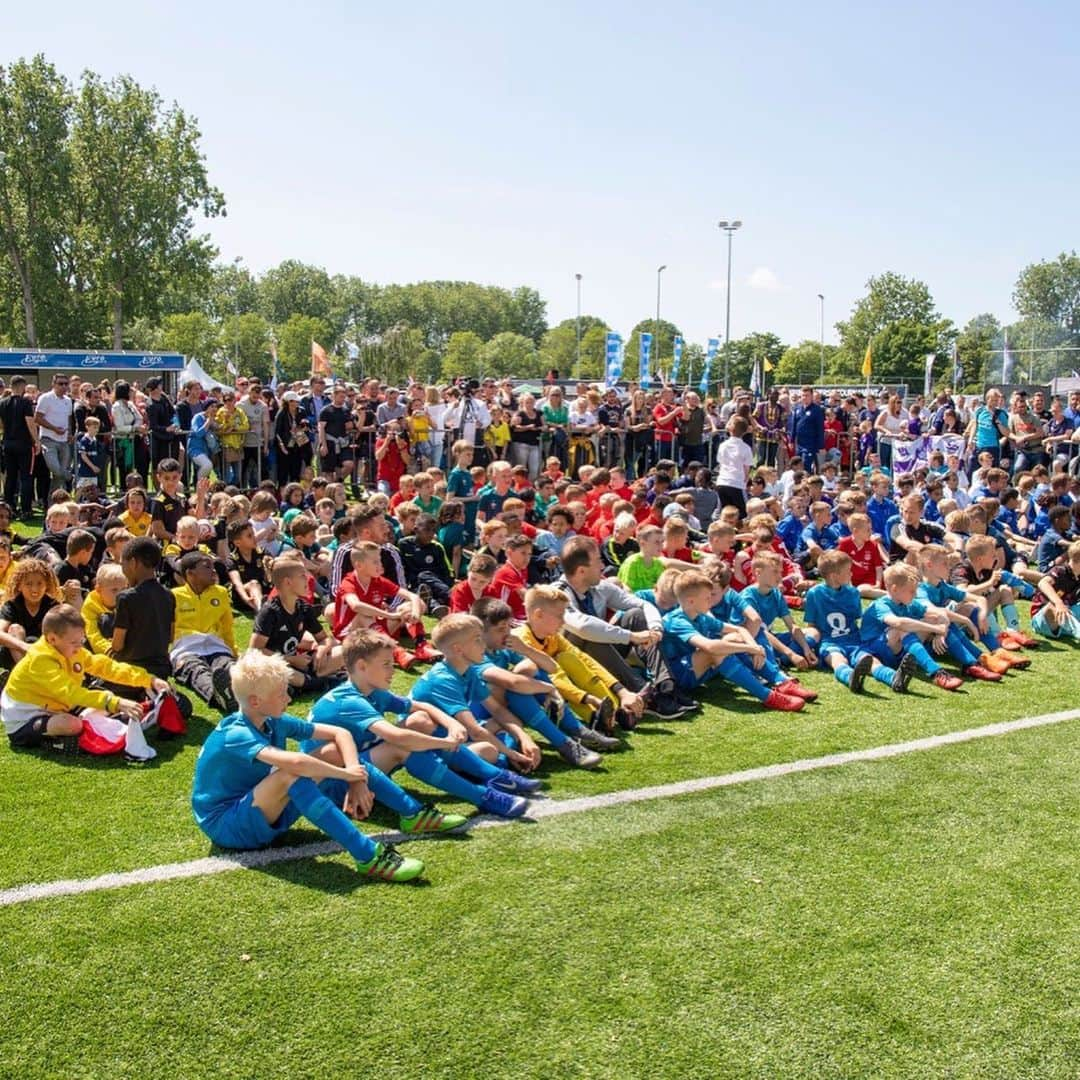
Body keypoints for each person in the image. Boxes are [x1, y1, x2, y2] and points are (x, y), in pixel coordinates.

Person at [190, 649, 424, 883]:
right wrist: (345, 773)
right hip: (226, 826)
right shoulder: (236, 733)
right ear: (255, 701)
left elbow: (340, 734)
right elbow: (296, 763)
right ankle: (368, 855)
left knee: (331, 752)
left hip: (257, 807)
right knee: (291, 773)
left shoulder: (270, 720)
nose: (289, 699)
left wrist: (355, 778)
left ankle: (413, 812)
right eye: (281, 694)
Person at [2, 604, 168, 752]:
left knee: (107, 697)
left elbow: (107, 667)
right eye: (74, 642)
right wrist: (117, 703)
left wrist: (149, 679)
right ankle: (55, 742)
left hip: (56, 705)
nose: (80, 647)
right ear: (52, 639)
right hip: (25, 719)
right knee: (73, 724)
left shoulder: (73, 650)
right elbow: (71, 693)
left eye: (81, 640)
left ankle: (83, 725)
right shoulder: (40, 660)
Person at [556, 535, 686, 720]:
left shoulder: (599, 587)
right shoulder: (557, 593)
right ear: (582, 571)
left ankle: (665, 686)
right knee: (590, 634)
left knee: (636, 616)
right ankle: (643, 693)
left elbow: (643, 605)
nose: (602, 567)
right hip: (571, 666)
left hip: (599, 658)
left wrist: (655, 629)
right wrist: (631, 636)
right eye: (598, 561)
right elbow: (583, 627)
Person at [660, 571, 806, 712]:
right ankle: (768, 696)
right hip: (675, 676)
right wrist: (750, 649)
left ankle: (781, 681)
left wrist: (754, 647)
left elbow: (740, 630)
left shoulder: (699, 615)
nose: (710, 601)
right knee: (714, 652)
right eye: (706, 598)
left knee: (734, 638)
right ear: (691, 601)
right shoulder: (676, 620)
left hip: (694, 669)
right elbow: (709, 647)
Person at [804, 550, 916, 693]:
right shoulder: (815, 593)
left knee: (871, 660)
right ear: (834, 576)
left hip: (853, 640)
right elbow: (812, 626)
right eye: (848, 571)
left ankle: (895, 678)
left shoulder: (852, 593)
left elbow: (855, 621)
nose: (851, 573)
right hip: (829, 642)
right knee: (838, 660)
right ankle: (851, 677)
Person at [0, 375, 38, 518]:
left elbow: (1, 424)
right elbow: (30, 423)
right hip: (24, 444)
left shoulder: (2, 403)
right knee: (26, 477)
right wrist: (37, 441)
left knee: (11, 477)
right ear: (22, 387)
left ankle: (10, 508)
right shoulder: (25, 403)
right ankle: (26, 509)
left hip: (8, 443)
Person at [34, 373, 76, 494]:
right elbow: (37, 418)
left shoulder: (68, 400)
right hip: (48, 439)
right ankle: (71, 477)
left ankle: (53, 501)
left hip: (64, 441)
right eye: (60, 384)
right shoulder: (45, 398)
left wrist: (69, 433)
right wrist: (54, 429)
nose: (63, 386)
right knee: (57, 470)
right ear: (53, 384)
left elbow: (68, 419)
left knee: (58, 477)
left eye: (65, 384)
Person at [1031, 539, 1080, 639]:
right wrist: (1059, 603)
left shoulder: (1078, 576)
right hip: (1044, 618)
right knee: (1051, 607)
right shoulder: (1060, 571)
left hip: (1066, 616)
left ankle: (1071, 629)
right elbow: (1043, 583)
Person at [789, 386, 825, 473]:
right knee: (797, 464)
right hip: (799, 443)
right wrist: (791, 440)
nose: (804, 397)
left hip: (810, 444)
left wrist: (821, 446)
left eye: (807, 395)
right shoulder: (797, 409)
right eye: (803, 395)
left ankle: (806, 483)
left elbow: (820, 429)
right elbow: (793, 425)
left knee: (806, 464)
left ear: (812, 396)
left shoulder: (817, 410)